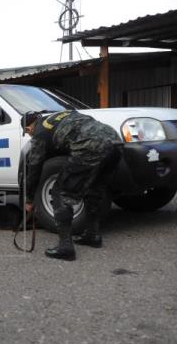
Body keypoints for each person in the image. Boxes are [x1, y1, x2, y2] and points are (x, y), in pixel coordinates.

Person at [22, 110, 122, 261]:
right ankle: (92, 235)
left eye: (28, 133)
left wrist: (29, 199)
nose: (30, 135)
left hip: (89, 145)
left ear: (29, 128)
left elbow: (34, 168)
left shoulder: (40, 133)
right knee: (95, 188)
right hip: (115, 142)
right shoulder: (60, 116)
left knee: (60, 192)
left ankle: (65, 247)